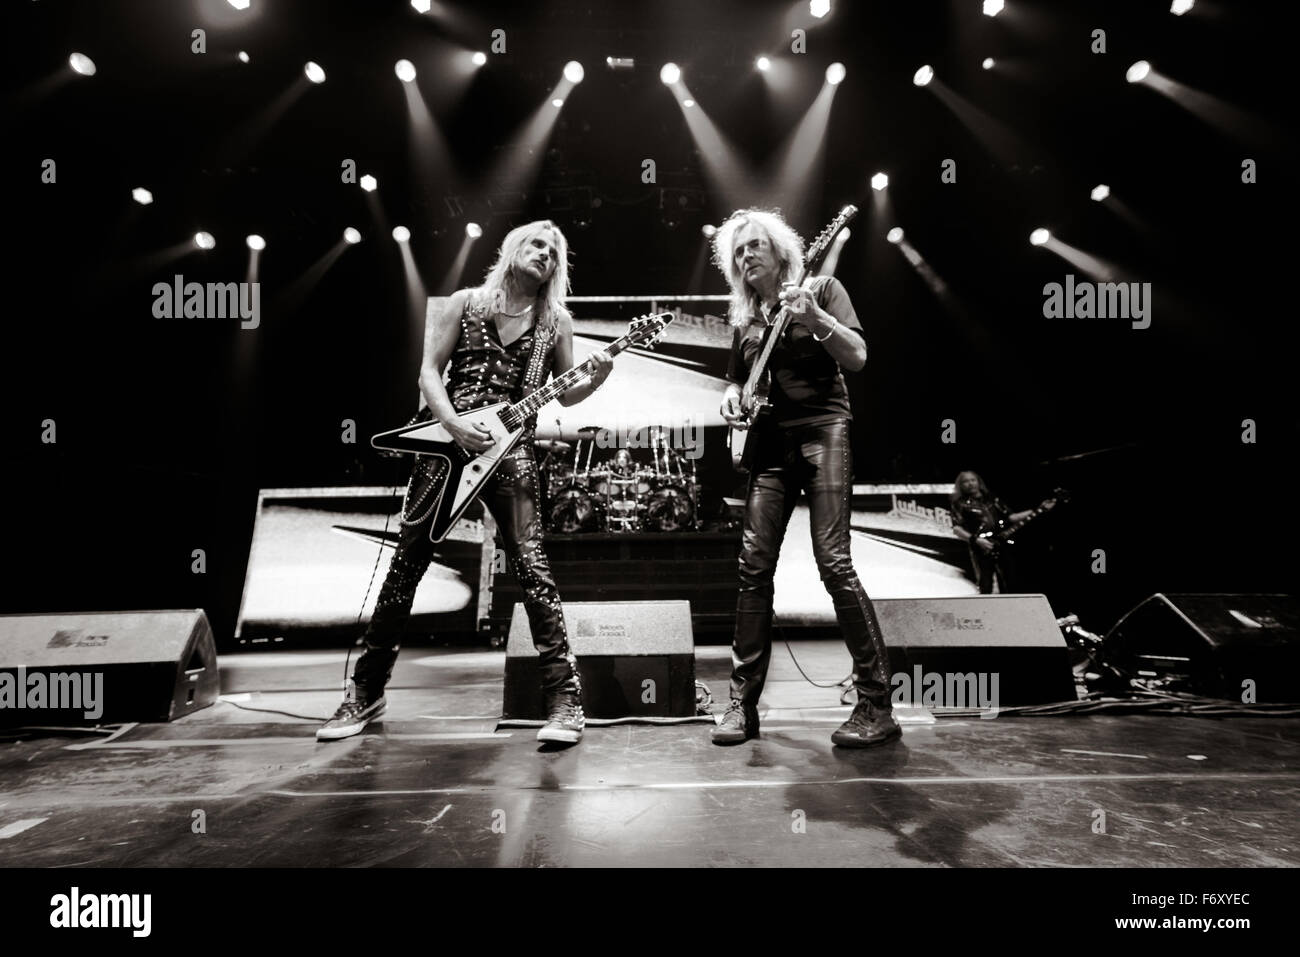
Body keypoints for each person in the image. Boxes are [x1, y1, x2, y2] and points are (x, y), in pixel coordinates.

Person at [318, 221, 612, 745]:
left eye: (553, 251)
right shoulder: (465, 302)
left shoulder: (555, 322)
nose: (543, 254)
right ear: (513, 250)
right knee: (405, 568)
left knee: (532, 566)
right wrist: (453, 422)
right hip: (445, 448)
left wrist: (600, 375)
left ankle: (565, 701)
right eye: (535, 244)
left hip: (513, 452)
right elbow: (429, 371)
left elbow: (565, 396)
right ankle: (365, 692)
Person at [713, 208, 899, 748]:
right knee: (753, 567)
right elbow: (736, 382)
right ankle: (741, 707)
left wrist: (816, 318)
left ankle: (876, 704)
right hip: (769, 445)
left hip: (822, 430)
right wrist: (731, 399)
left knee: (833, 561)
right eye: (738, 251)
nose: (746, 256)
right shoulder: (746, 319)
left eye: (754, 246)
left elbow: (859, 356)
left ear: (780, 251)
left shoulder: (821, 288)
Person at [948, 470, 1042, 594]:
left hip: (1001, 543)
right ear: (961, 485)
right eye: (966, 481)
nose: (970, 484)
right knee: (986, 583)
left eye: (972, 480)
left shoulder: (991, 499)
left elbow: (1011, 517)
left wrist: (1038, 509)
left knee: (1010, 580)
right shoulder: (959, 504)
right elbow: (956, 529)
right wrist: (976, 540)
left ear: (978, 482)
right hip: (981, 547)